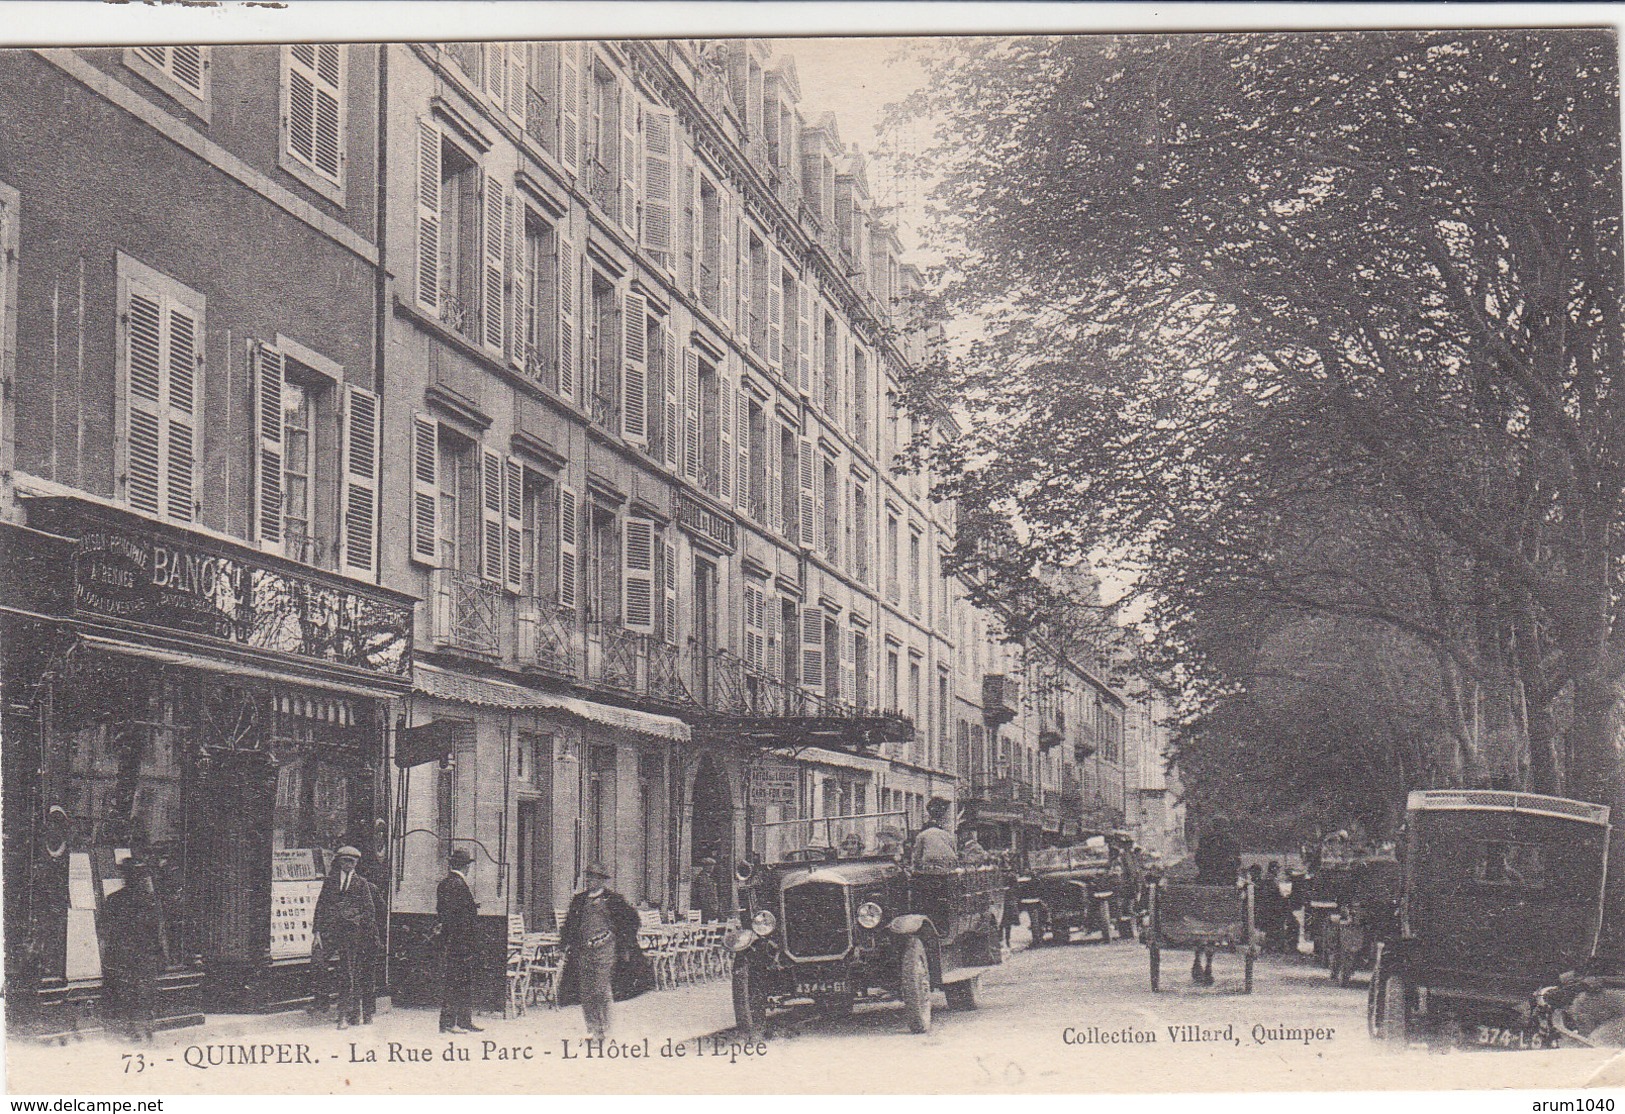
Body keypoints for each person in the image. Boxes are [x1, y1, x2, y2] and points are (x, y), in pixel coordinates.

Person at [556, 862, 654, 1039]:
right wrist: (563, 946)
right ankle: (593, 1028)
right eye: (589, 877)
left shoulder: (613, 900)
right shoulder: (579, 900)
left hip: (605, 951)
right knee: (586, 991)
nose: (591, 881)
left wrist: (619, 939)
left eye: (595, 877)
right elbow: (569, 925)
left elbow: (632, 920)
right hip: (584, 951)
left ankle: (605, 1027)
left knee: (601, 989)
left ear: (602, 881)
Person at [100, 856, 167, 1042]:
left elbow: (106, 931)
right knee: (143, 998)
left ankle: (134, 1033)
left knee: (128, 997)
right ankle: (143, 1033)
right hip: (142, 958)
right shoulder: (150, 901)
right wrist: (160, 957)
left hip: (125, 958)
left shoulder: (114, 900)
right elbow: (157, 933)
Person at [313, 846, 380, 1029]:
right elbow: (321, 906)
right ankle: (322, 1001)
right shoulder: (330, 882)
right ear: (339, 862)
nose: (348, 865)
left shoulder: (361, 884)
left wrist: (355, 920)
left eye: (352, 861)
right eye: (345, 861)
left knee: (348, 974)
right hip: (330, 934)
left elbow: (369, 911)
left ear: (357, 863)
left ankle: (344, 1015)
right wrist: (316, 932)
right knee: (318, 962)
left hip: (352, 936)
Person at [1191, 816, 1241, 985]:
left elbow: (1198, 860)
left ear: (1213, 826)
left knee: (1200, 919)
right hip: (1225, 887)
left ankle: (1198, 959)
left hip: (1205, 884)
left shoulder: (1205, 840)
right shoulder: (1232, 842)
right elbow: (1236, 863)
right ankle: (1208, 965)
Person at [436, 847, 482, 1034]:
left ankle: (463, 1020)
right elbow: (455, 915)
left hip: (454, 940)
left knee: (459, 981)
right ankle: (450, 1023)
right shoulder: (457, 884)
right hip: (460, 942)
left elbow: (445, 912)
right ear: (466, 867)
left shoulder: (446, 883)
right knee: (457, 982)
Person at [910, 797, 959, 866]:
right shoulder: (946, 835)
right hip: (948, 864)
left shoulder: (922, 835)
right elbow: (954, 851)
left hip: (930, 864)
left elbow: (916, 856)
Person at [690, 857, 720, 923]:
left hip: (710, 908)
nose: (712, 868)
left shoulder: (708, 877)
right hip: (706, 909)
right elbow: (702, 896)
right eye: (710, 866)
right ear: (705, 866)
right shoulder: (702, 878)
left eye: (712, 866)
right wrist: (710, 908)